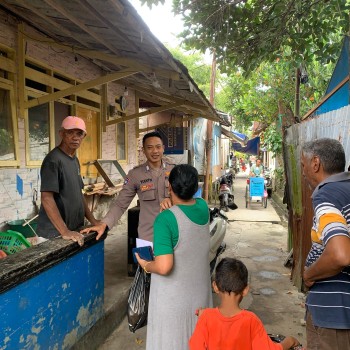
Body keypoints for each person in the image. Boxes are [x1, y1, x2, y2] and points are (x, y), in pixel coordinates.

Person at [135, 164, 212, 350]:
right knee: (198, 340)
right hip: (200, 293)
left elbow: (164, 266)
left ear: (169, 186)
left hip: (173, 301)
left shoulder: (166, 219)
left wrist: (145, 264)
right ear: (195, 188)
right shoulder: (203, 207)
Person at [189, 257, 303, 350]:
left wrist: (206, 315)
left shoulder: (206, 318)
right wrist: (290, 341)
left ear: (215, 286)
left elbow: (195, 346)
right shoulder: (251, 320)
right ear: (245, 290)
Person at [301, 138, 350, 350]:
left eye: (303, 165)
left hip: (334, 314)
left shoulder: (327, 194)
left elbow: (340, 255)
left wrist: (309, 275)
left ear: (315, 163)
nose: (303, 172)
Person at [81, 131, 174, 242]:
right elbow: (120, 204)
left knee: (174, 260)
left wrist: (172, 199)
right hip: (148, 236)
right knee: (145, 260)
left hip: (173, 232)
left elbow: (186, 198)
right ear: (143, 150)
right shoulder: (135, 174)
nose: (155, 151)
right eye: (149, 147)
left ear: (163, 148)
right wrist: (104, 223)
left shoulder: (174, 171)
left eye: (158, 147)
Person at [37, 116, 99, 246]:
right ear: (61, 134)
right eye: (70, 132)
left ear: (84, 136)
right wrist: (65, 231)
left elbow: (79, 193)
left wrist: (93, 221)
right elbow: (47, 198)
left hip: (73, 230)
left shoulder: (74, 160)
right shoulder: (53, 160)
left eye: (79, 133)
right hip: (54, 233)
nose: (75, 137)